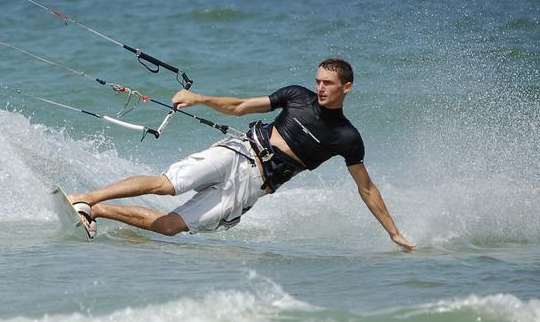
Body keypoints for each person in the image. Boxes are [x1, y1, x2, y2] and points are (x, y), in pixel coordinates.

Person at [68, 59, 416, 251]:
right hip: (239, 152)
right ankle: (83, 197)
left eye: (328, 83)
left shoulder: (347, 137)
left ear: (347, 87)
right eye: (319, 81)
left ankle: (96, 210)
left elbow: (367, 188)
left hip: (252, 187)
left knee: (172, 226)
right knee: (165, 185)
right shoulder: (296, 96)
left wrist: (393, 232)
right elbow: (239, 107)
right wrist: (201, 99)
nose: (321, 88)